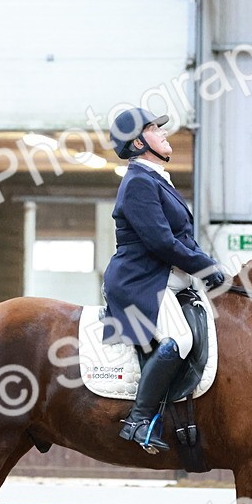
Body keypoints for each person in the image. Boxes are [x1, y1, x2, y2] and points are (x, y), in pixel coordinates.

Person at [104, 107, 227, 453]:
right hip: (139, 282)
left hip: (168, 281)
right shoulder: (139, 182)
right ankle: (139, 420)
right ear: (140, 142)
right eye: (156, 130)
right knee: (178, 341)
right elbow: (161, 242)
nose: (165, 134)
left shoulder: (156, 178)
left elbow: (183, 238)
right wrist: (205, 267)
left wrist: (210, 266)